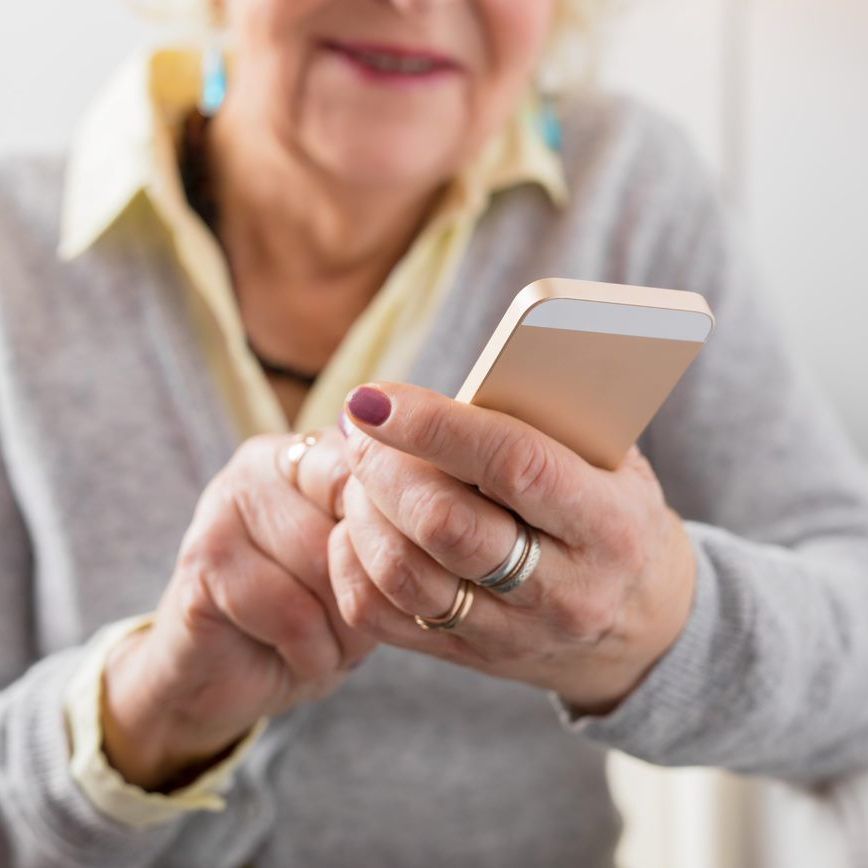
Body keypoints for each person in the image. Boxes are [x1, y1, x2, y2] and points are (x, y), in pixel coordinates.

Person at [1, 0, 867, 865]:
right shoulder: (16, 254)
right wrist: (147, 711)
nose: (414, 4)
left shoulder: (627, 187)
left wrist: (657, 619)